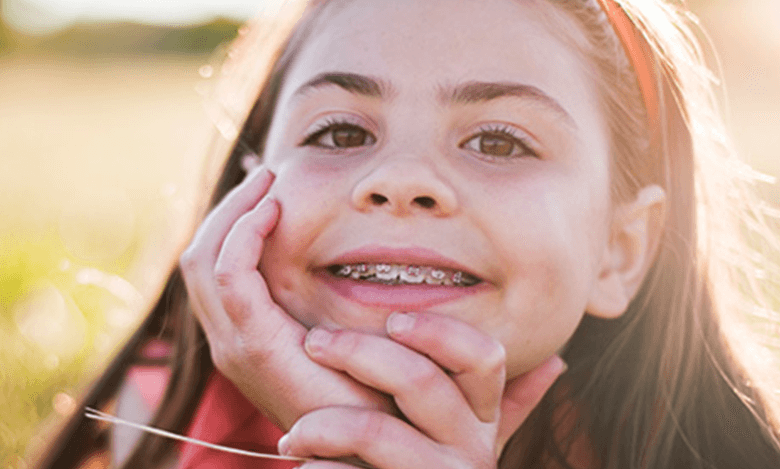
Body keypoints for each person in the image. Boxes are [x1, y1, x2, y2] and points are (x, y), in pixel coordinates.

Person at [35, 0, 780, 468]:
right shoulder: (158, 416)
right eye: (337, 131)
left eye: (498, 143)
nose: (400, 180)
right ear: (247, 196)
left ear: (621, 251)